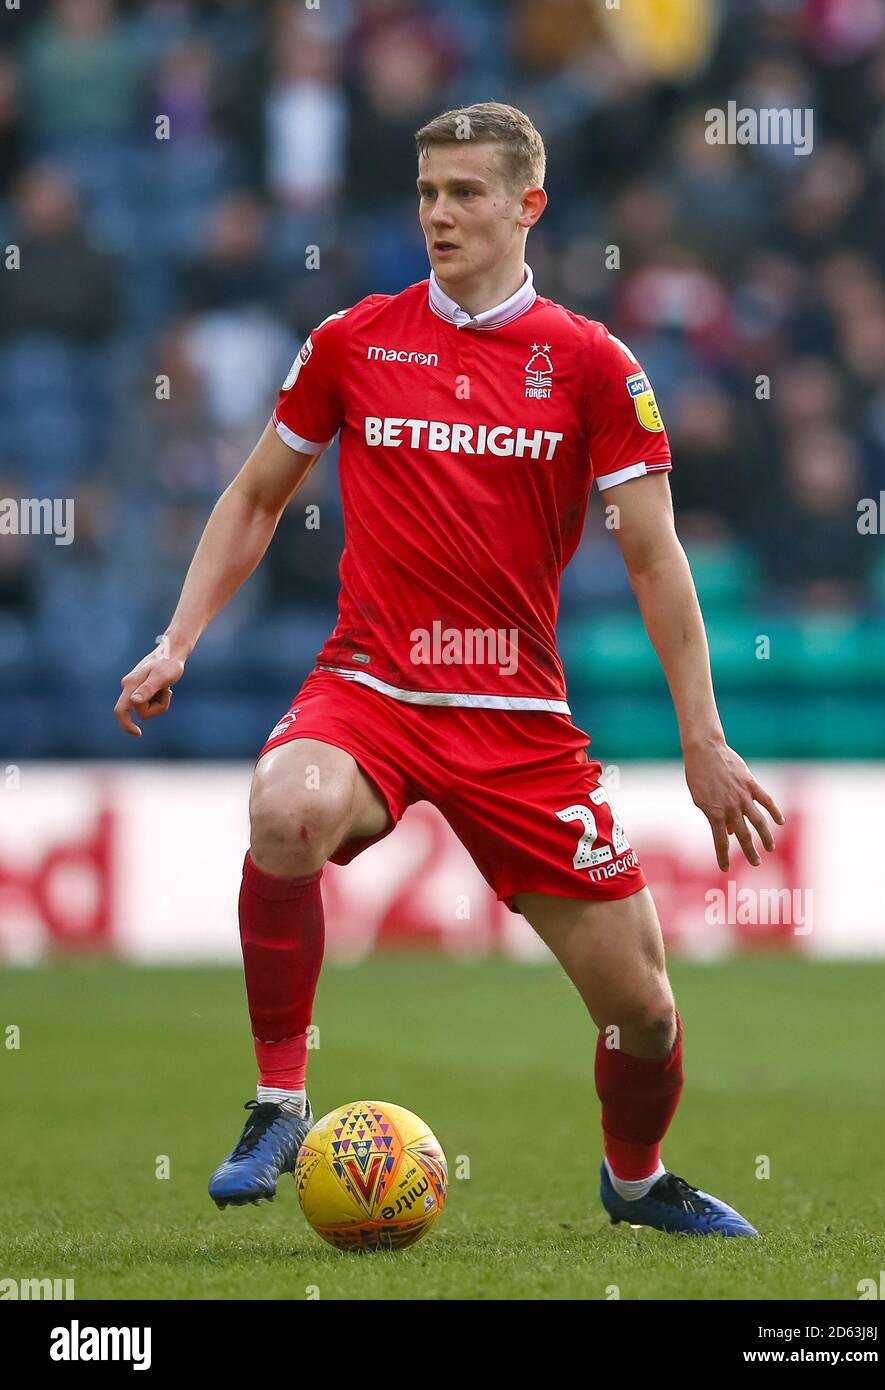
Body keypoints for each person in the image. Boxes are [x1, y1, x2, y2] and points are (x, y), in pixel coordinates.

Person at [115, 102, 782, 1237]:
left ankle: (634, 1182)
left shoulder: (590, 366)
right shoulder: (352, 339)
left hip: (516, 718)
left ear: (529, 205)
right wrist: (179, 638)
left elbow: (659, 560)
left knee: (646, 1014)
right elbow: (258, 494)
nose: (438, 214)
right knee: (284, 809)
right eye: (426, 192)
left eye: (465, 193)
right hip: (369, 687)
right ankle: (280, 1100)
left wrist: (702, 740)